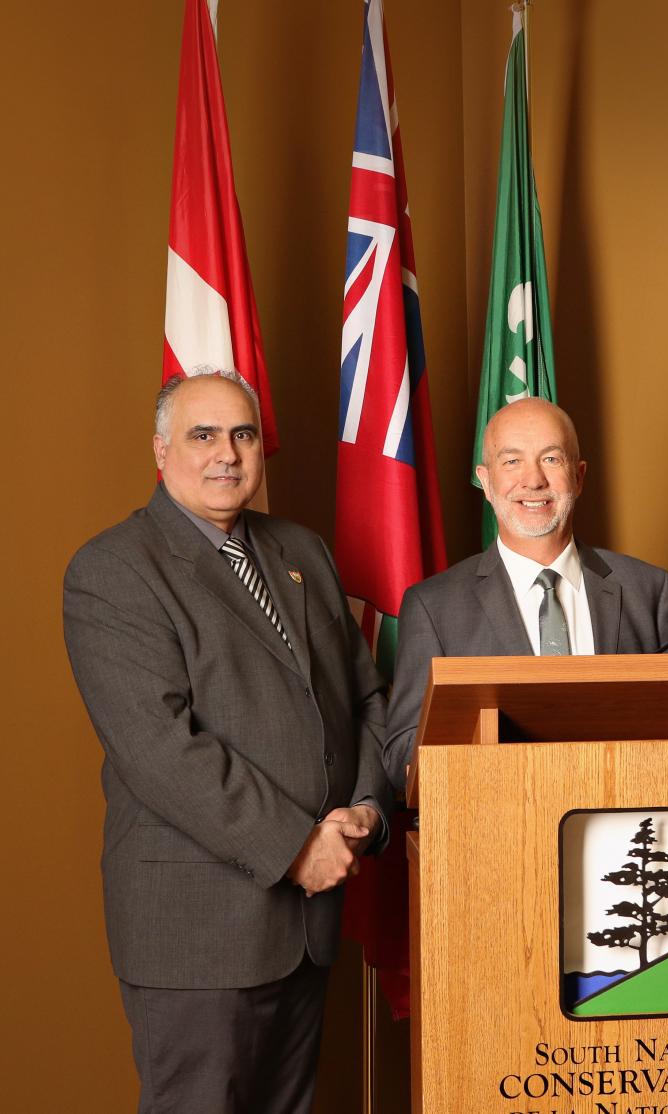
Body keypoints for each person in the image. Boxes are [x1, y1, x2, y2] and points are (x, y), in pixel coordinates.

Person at [63, 367, 391, 1114]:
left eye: (242, 434)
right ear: (160, 451)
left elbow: (363, 697)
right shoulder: (114, 570)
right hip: (198, 931)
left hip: (308, 925)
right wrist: (296, 847)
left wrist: (367, 812)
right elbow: (160, 751)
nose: (227, 454)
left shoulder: (300, 550)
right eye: (202, 435)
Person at [383, 397, 668, 791]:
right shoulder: (434, 607)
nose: (533, 481)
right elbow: (402, 754)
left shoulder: (648, 589)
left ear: (578, 477)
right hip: (497, 834)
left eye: (550, 459)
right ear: (486, 482)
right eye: (511, 462)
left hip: (627, 833)